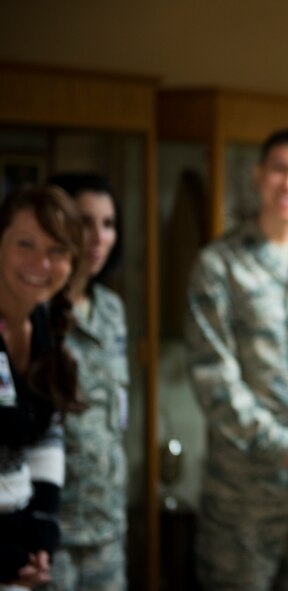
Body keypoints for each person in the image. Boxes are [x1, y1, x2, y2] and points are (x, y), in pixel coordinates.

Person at [185, 128, 288, 590]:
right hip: (243, 494)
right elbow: (211, 375)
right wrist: (283, 448)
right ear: (259, 176)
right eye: (280, 169)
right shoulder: (220, 265)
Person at [0, 186, 87, 589]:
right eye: (25, 244)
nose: (41, 262)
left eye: (56, 250)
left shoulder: (43, 331)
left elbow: (46, 437)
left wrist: (42, 537)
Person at [45, 173, 129, 591]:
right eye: (84, 222)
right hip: (52, 529)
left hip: (107, 523)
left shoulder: (111, 309)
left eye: (108, 224)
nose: (98, 237)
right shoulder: (37, 310)